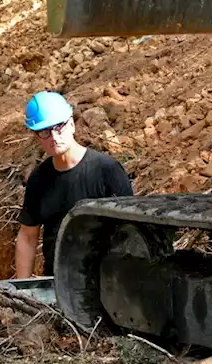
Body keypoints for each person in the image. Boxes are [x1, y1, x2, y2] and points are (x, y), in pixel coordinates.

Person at [14, 91, 133, 279]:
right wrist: (21, 291)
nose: (54, 136)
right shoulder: (39, 179)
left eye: (59, 127)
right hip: (58, 281)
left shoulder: (106, 171)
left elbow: (130, 230)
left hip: (105, 281)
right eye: (45, 131)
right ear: (37, 137)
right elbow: (28, 236)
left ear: (71, 125)